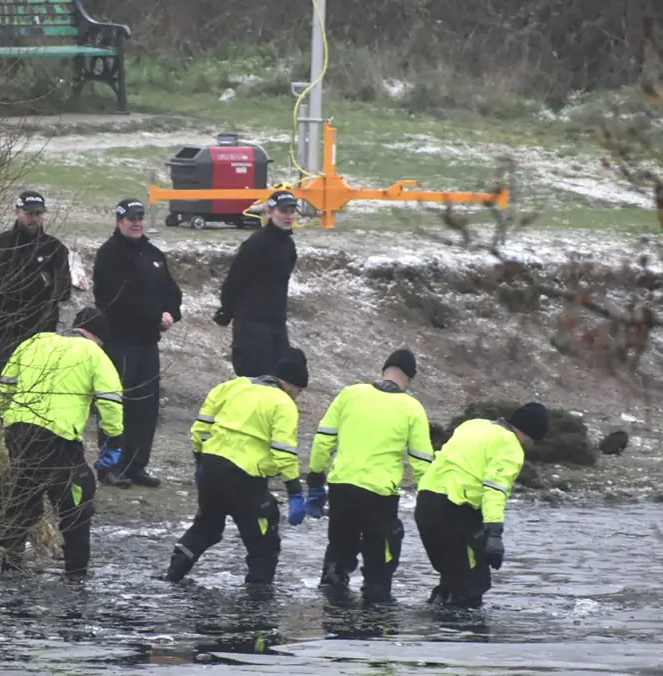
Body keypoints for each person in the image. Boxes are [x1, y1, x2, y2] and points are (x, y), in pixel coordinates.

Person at [165, 349, 311, 587]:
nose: (298, 398)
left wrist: (200, 462)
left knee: (206, 527)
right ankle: (256, 603)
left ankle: (172, 576)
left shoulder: (231, 386)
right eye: (299, 393)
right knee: (263, 543)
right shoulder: (283, 403)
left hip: (211, 467)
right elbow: (284, 452)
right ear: (293, 386)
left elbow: (200, 429)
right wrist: (294, 491)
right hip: (245, 479)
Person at [0, 307, 124, 576]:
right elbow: (110, 401)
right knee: (77, 497)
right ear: (98, 337)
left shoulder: (35, 342)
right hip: (58, 437)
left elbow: (5, 384)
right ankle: (76, 573)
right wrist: (113, 440)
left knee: (23, 496)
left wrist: (11, 419)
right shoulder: (94, 354)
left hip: (19, 432)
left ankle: (9, 564)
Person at [305, 348, 434, 603]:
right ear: (409, 378)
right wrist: (429, 494)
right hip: (380, 495)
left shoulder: (350, 394)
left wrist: (316, 477)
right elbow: (421, 460)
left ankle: (333, 611)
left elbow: (323, 439)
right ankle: (375, 618)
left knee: (339, 550)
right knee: (380, 562)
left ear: (384, 370)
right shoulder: (412, 408)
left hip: (342, 487)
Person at [415, 403, 551, 609]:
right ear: (528, 434)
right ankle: (466, 636)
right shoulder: (510, 446)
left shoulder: (473, 425)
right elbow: (494, 490)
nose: (530, 446)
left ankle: (436, 629)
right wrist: (495, 534)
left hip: (425, 504)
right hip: (454, 509)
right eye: (533, 441)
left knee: (452, 577)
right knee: (472, 585)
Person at [91, 198, 183, 489]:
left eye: (140, 217)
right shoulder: (110, 254)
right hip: (120, 341)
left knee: (145, 408)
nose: (136, 222)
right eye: (131, 218)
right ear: (119, 221)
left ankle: (136, 464)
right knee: (116, 405)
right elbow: (119, 298)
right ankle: (110, 466)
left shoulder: (153, 253)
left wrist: (170, 313)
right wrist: (155, 316)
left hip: (147, 343)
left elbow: (172, 291)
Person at [0, 189, 72, 416]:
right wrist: (41, 280)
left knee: (35, 394)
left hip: (41, 333)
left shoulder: (55, 249)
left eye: (38, 214)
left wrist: (36, 283)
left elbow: (62, 291)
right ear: (18, 212)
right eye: (30, 213)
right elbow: (2, 286)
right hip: (5, 331)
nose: (34, 219)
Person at [212, 189, 299, 378]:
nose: (288, 216)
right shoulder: (257, 243)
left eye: (292, 211)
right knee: (254, 379)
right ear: (269, 212)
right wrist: (227, 310)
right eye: (283, 211)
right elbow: (235, 279)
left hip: (277, 322)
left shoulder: (288, 245)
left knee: (278, 379)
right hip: (252, 323)